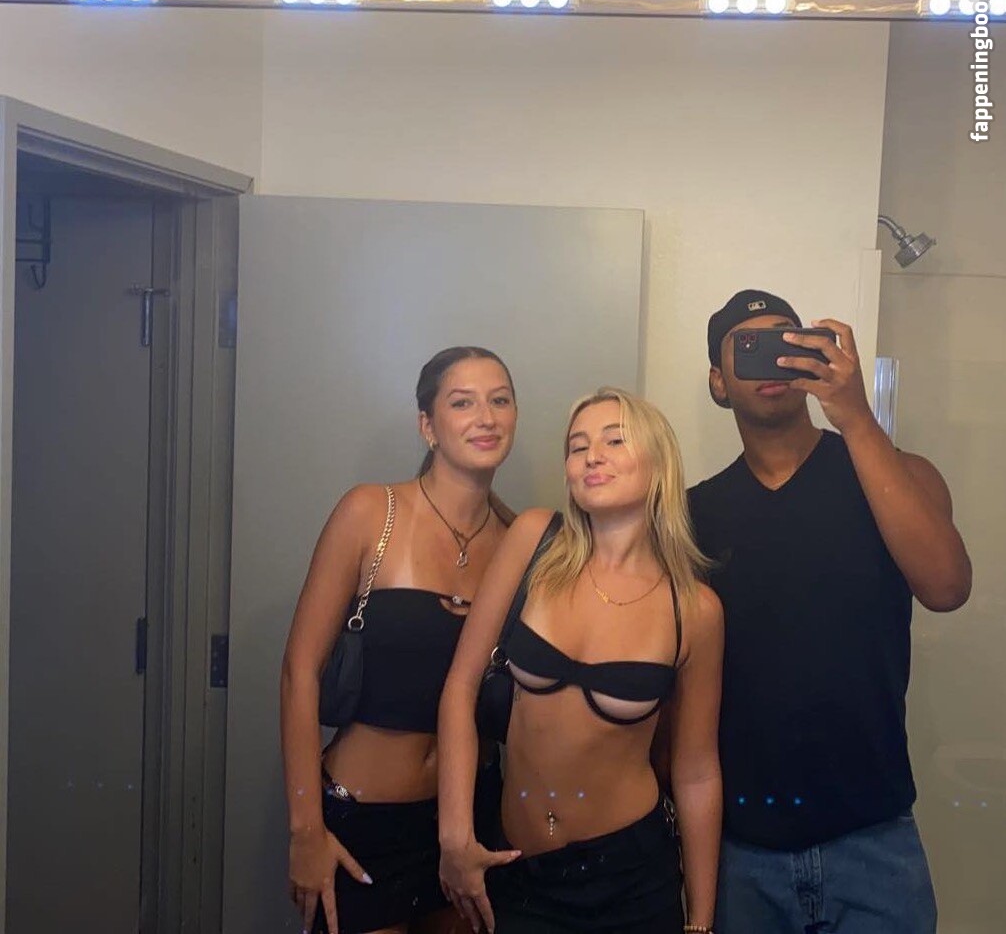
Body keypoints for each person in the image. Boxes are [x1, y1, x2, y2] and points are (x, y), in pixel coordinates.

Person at [688, 289, 972, 934]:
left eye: (787, 341)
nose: (772, 359)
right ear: (718, 381)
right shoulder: (691, 516)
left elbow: (947, 587)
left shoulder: (900, 476)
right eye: (748, 346)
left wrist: (855, 416)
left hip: (875, 841)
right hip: (740, 851)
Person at [439, 387, 723, 934]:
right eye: (577, 446)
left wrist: (701, 920)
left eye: (615, 441)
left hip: (630, 877)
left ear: (659, 463)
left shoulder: (694, 610)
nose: (592, 456)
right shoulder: (533, 542)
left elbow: (696, 772)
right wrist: (455, 835)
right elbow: (460, 686)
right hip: (515, 867)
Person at [281, 346, 518, 934]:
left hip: (468, 827)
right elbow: (299, 673)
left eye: (499, 400)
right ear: (427, 425)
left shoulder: (518, 540)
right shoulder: (371, 513)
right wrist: (306, 829)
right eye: (462, 402)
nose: (485, 417)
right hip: (364, 823)